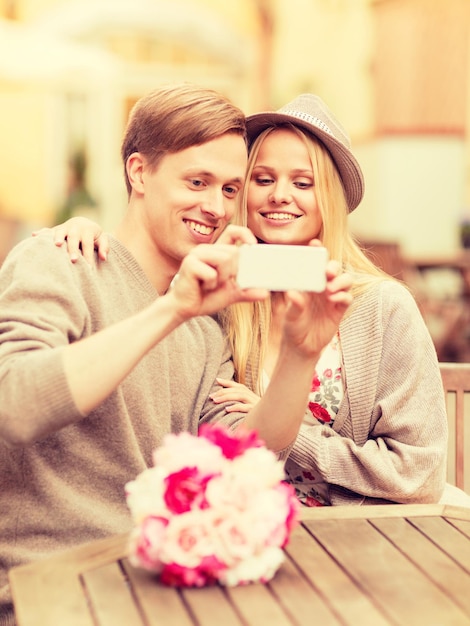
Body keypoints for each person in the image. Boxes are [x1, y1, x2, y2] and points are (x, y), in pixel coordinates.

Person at [0, 84, 353, 625]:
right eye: (197, 182)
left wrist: (299, 355)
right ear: (139, 173)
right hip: (52, 593)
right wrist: (171, 312)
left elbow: (244, 451)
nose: (214, 207)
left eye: (230, 189)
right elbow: (16, 406)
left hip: (157, 588)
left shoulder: (205, 325)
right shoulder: (57, 262)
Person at [51, 92, 470, 508]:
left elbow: (419, 473)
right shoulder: (219, 298)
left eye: (302, 182)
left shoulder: (382, 307)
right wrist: (91, 232)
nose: (279, 195)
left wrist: (294, 432)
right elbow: (145, 269)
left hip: (363, 536)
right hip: (240, 531)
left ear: (329, 198)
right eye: (262, 179)